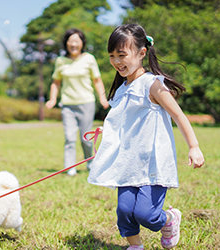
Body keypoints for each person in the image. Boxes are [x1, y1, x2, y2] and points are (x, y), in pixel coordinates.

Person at [87, 24, 205, 250]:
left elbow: (178, 115)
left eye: (122, 55)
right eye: (112, 56)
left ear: (142, 53)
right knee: (124, 210)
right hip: (128, 162)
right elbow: (123, 120)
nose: (116, 61)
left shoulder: (152, 84)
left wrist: (194, 146)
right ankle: (135, 246)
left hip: (153, 163)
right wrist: (107, 131)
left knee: (146, 214)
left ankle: (169, 219)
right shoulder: (122, 89)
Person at [46, 28, 109, 176]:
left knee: (85, 138)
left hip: (86, 103)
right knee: (69, 137)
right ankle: (70, 168)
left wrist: (102, 97)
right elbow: (56, 82)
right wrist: (52, 99)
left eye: (76, 41)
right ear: (66, 43)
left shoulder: (89, 59)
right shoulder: (61, 61)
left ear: (82, 43)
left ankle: (91, 163)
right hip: (68, 104)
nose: (73, 44)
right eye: (70, 41)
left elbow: (97, 80)